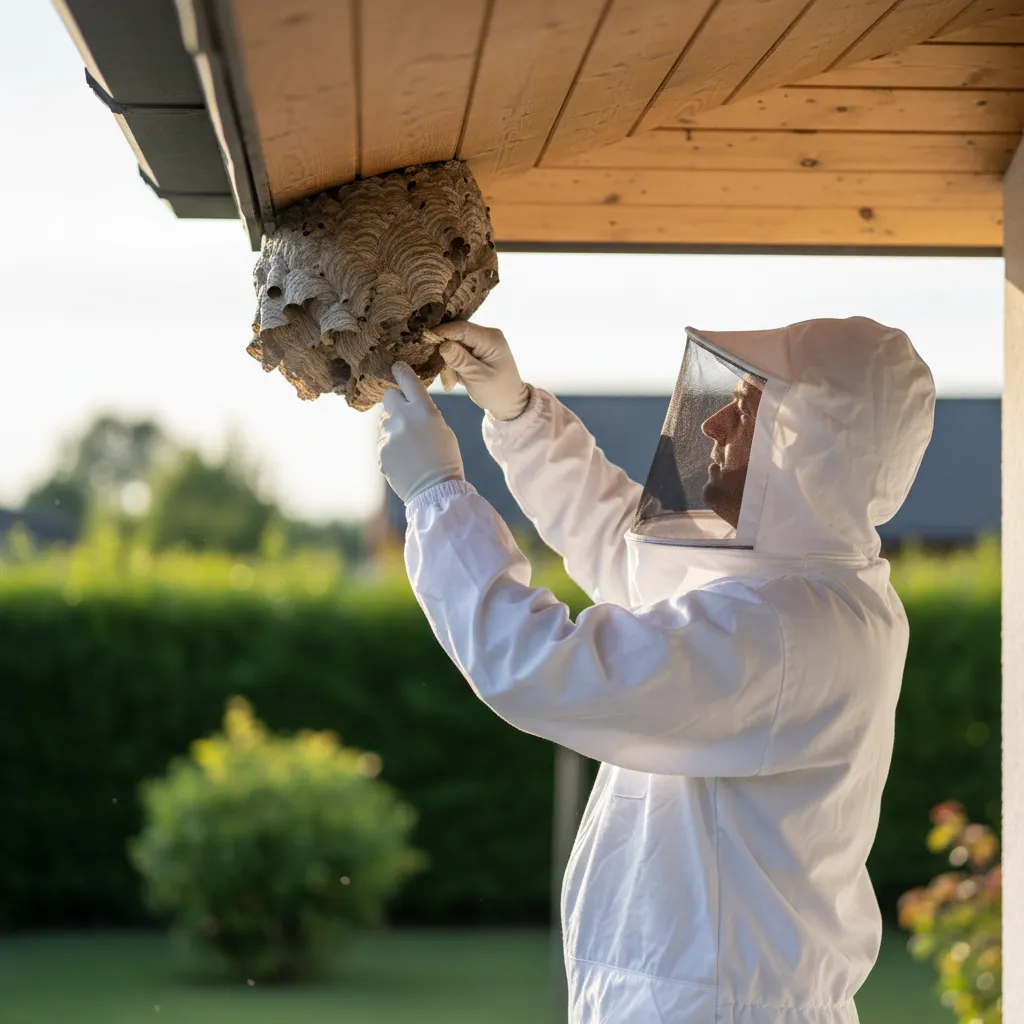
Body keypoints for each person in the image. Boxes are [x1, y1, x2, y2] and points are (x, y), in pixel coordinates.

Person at [376, 316, 935, 1024]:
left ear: (814, 444)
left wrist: (437, 497)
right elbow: (630, 559)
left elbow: (543, 666)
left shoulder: (787, 629)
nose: (712, 425)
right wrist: (517, 412)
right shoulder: (796, 590)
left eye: (749, 406)